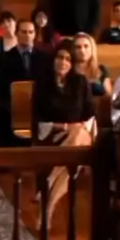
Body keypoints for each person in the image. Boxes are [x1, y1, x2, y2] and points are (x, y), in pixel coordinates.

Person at [32, 39, 95, 226]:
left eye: (68, 59)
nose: (63, 62)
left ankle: (49, 191)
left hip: (81, 136)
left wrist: (76, 128)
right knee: (70, 164)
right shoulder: (43, 84)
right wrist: (66, 127)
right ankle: (48, 209)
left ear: (72, 63)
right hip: (53, 135)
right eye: (60, 57)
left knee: (79, 134)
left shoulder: (80, 82)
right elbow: (39, 120)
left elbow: (90, 114)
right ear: (53, 59)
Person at [0, 20, 51, 147]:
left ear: (35, 34)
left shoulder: (45, 58)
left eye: (31, 32)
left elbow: (48, 84)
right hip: (12, 105)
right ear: (16, 33)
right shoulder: (5, 58)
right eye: (24, 32)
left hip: (38, 105)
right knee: (0, 114)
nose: (27, 35)